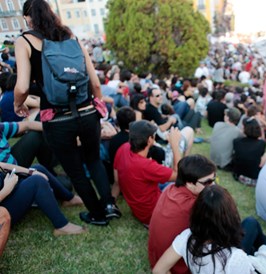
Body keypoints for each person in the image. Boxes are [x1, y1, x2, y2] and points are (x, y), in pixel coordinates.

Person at [14, 0, 118, 226]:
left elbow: (22, 87)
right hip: (88, 111)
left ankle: (97, 215)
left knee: (74, 169)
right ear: (51, 14)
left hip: (56, 117)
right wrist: (97, 106)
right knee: (93, 160)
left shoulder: (24, 41)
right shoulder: (70, 37)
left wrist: (17, 104)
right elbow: (96, 83)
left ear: (27, 18)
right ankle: (109, 205)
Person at [153, 185, 266, 274]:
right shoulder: (235, 257)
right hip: (238, 264)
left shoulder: (186, 237)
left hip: (222, 256)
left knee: (251, 222)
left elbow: (158, 270)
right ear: (229, 216)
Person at [148, 155, 217, 274]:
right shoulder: (196, 206)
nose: (213, 185)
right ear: (189, 183)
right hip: (177, 267)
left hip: (159, 259)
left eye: (214, 179)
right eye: (208, 182)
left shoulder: (170, 189)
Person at [113, 120, 182, 226]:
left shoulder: (123, 148)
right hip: (154, 215)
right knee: (189, 185)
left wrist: (111, 202)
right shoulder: (146, 166)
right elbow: (179, 176)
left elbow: (117, 181)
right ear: (150, 140)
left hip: (140, 211)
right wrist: (175, 146)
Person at [0, 166, 86, 236]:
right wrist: (6, 189)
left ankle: (69, 198)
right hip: (2, 209)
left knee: (37, 169)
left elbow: (1, 164)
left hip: (6, 188)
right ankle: (62, 226)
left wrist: (30, 171)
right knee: (37, 181)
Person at [232, 117, 266, 185]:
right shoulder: (261, 144)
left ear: (245, 129)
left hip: (238, 174)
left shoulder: (236, 141)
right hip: (254, 177)